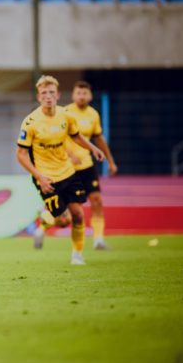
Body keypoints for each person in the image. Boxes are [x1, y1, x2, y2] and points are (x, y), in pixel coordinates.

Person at [16, 75, 105, 265]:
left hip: (68, 172)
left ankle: (77, 256)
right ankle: (45, 220)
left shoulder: (66, 115)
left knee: (78, 215)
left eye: (51, 92)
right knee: (64, 220)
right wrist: (39, 177)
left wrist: (94, 149)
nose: (48, 96)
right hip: (46, 178)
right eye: (43, 93)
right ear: (39, 97)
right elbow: (21, 154)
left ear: (57, 95)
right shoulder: (30, 122)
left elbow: (76, 136)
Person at [65, 81, 118, 250]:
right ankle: (43, 225)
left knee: (97, 201)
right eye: (78, 93)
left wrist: (110, 161)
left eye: (84, 93)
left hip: (87, 166)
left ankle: (98, 240)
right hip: (68, 168)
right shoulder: (65, 113)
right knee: (70, 211)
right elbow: (57, 139)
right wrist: (70, 154)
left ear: (90, 96)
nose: (81, 96)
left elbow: (99, 139)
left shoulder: (93, 114)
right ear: (73, 95)